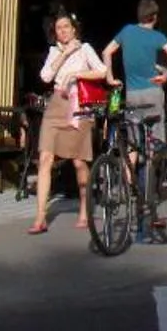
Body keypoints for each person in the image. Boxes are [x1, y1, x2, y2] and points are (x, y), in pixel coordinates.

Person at [32, 13, 109, 235]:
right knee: (45, 157)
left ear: (75, 29)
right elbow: (45, 77)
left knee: (78, 161)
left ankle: (85, 208)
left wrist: (77, 73)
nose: (63, 31)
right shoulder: (55, 51)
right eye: (59, 28)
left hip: (79, 105)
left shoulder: (85, 48)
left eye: (67, 27)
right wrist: (64, 54)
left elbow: (102, 71)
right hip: (57, 104)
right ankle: (40, 216)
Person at [101, 0, 167, 151]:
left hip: (133, 94)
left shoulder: (127, 31)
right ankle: (152, 171)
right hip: (153, 91)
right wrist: (165, 76)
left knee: (134, 142)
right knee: (155, 139)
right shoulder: (158, 36)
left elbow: (106, 52)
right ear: (155, 17)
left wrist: (110, 78)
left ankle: (130, 175)